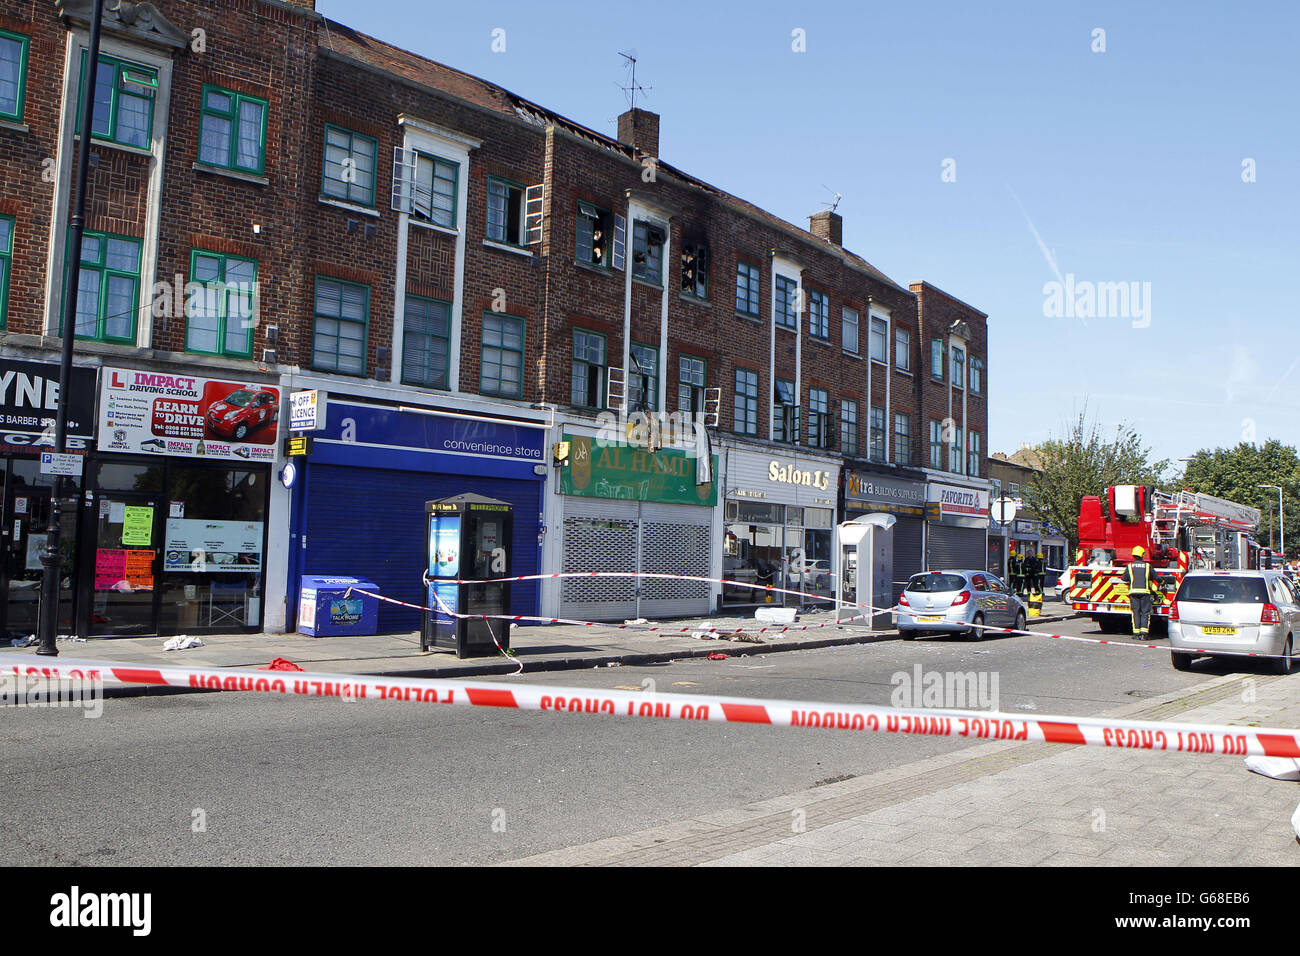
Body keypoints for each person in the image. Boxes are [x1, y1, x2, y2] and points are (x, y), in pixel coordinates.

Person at [1125, 545, 1159, 638]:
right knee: (1145, 613)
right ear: (1142, 554)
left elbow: (1124, 578)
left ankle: (1136, 633)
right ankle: (1144, 634)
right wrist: (1162, 581)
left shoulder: (1129, 566)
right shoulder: (1147, 566)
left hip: (1133, 593)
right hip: (1145, 593)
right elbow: (1156, 577)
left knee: (1136, 612)